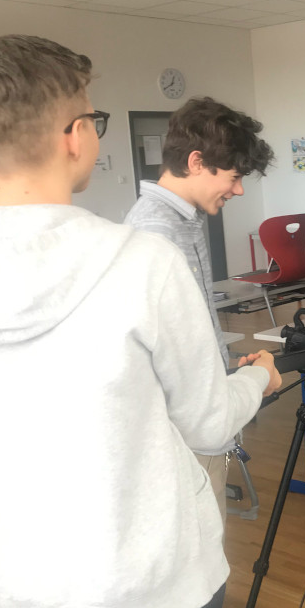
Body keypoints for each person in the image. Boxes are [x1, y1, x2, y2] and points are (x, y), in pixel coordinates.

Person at [0, 34, 282, 608]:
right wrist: (261, 380)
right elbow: (211, 425)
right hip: (154, 604)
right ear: (76, 135)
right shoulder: (143, 262)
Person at [125, 96, 274, 525]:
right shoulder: (156, 234)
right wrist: (256, 380)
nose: (238, 189)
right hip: (182, 441)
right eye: (234, 177)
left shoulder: (183, 220)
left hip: (194, 428)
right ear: (196, 162)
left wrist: (224, 374)